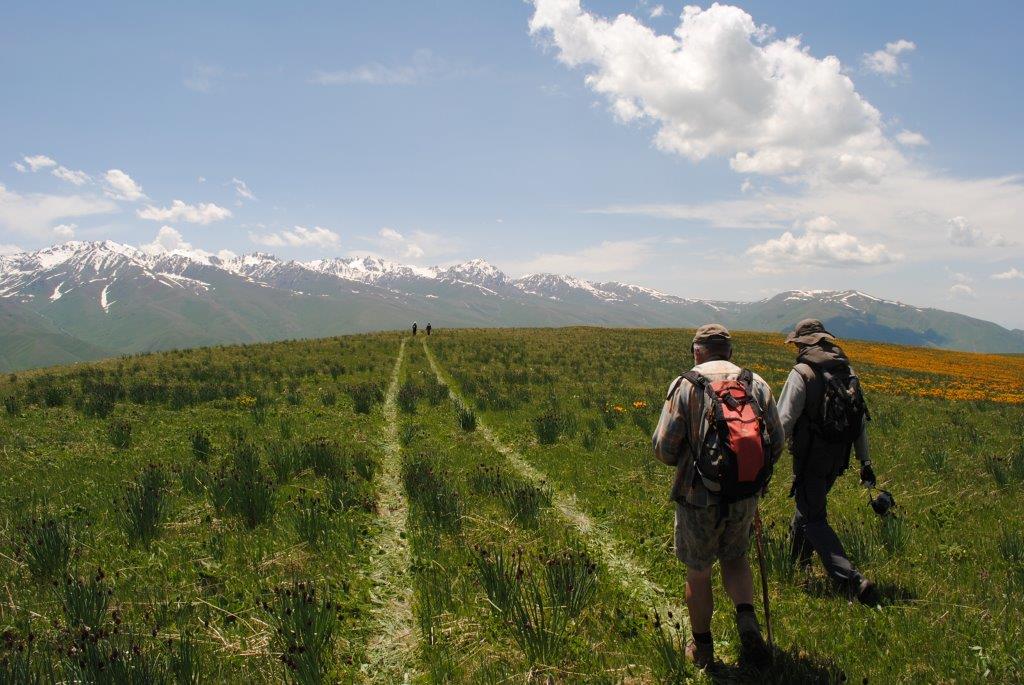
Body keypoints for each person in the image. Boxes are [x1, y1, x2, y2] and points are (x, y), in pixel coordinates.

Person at [653, 324, 784, 669]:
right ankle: (747, 622)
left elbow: (664, 448)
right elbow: (777, 442)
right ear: (730, 351)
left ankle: (703, 649)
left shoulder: (686, 384)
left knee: (698, 572)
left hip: (697, 497)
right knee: (736, 558)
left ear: (697, 351)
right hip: (744, 496)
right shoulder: (756, 383)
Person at [778, 319, 879, 606]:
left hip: (811, 456)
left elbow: (783, 420)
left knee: (813, 518)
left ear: (802, 344)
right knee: (807, 507)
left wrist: (766, 454)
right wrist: (864, 460)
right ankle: (797, 566)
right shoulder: (848, 371)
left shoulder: (802, 373)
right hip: (838, 456)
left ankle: (852, 580)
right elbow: (859, 420)